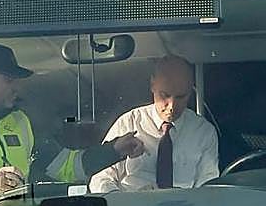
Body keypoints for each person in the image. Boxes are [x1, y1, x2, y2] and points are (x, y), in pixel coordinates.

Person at [0, 43, 143, 206]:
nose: (17, 88)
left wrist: (113, 151)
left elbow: (66, 166)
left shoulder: (22, 122)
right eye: (9, 80)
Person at [88, 55, 219, 192]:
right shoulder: (129, 123)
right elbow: (100, 178)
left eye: (181, 97)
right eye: (165, 95)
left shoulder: (203, 132)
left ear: (190, 91)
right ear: (152, 85)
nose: (172, 106)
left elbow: (208, 188)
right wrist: (122, 202)